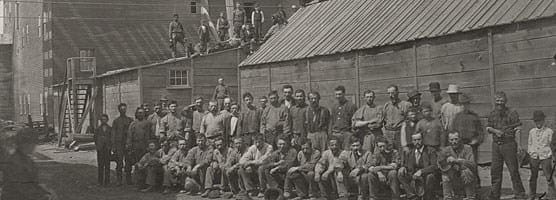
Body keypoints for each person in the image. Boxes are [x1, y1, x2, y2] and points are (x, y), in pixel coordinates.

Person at [486, 91, 526, 200]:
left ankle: (520, 194)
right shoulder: (492, 113)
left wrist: (519, 145)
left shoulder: (512, 112)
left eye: (501, 100)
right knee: (495, 171)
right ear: (495, 101)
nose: (499, 103)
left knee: (513, 171)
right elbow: (488, 128)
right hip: (496, 146)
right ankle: (495, 195)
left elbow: (518, 129)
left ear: (505, 101)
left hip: (509, 144)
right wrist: (495, 131)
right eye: (497, 100)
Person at [1, 126, 57, 200]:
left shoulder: (27, 159)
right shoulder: (15, 162)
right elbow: (23, 187)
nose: (34, 146)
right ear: (24, 144)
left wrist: (45, 191)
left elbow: (32, 183)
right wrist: (42, 196)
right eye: (32, 143)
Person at [451, 93, 484, 185]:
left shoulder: (474, 117)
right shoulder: (457, 117)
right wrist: (455, 143)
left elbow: (481, 132)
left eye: (466, 104)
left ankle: (475, 186)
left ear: (469, 104)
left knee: (472, 165)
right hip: (460, 145)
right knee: (460, 165)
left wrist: (477, 140)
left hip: (472, 145)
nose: (464, 106)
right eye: (462, 104)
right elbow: (453, 132)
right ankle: (462, 186)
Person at [398, 132, 439, 200]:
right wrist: (403, 167)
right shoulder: (410, 151)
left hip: (425, 176)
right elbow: (406, 165)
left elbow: (434, 166)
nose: (417, 142)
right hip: (413, 175)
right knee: (400, 173)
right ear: (412, 141)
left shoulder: (430, 150)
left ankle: (427, 198)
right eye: (415, 140)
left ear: (423, 140)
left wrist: (421, 171)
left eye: (419, 139)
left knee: (430, 177)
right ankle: (412, 196)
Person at [438, 132, 477, 200]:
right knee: (445, 175)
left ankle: (470, 197)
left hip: (466, 177)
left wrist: (458, 161)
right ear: (448, 140)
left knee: (466, 172)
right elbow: (440, 164)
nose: (454, 142)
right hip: (453, 176)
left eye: (456, 139)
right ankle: (448, 197)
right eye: (451, 140)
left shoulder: (467, 148)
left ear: (460, 139)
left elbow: (473, 165)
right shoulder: (446, 150)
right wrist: (448, 164)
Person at [527, 110, 555, 199]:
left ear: (544, 120)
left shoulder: (549, 131)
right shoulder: (532, 131)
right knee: (533, 177)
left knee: (548, 177)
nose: (538, 123)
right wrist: (531, 152)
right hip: (534, 156)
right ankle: (531, 195)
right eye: (536, 121)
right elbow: (529, 143)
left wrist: (551, 154)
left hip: (545, 156)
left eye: (540, 120)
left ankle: (552, 195)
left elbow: (552, 144)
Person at [127, 107, 154, 188]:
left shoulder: (148, 123)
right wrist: (129, 147)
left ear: (144, 114)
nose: (140, 114)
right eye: (139, 112)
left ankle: (145, 183)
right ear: (136, 114)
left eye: (142, 113)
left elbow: (150, 136)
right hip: (135, 147)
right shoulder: (133, 124)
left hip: (145, 147)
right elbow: (129, 136)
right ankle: (137, 183)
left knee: (145, 165)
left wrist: (149, 147)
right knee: (137, 165)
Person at [383, 85, 412, 150]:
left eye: (392, 93)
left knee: (401, 152)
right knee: (389, 152)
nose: (390, 95)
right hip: (389, 134)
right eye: (389, 93)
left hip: (400, 133)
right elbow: (384, 120)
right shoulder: (386, 105)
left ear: (397, 93)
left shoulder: (405, 105)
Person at [330, 85, 358, 150]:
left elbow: (354, 121)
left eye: (340, 94)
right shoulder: (334, 107)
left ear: (344, 94)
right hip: (335, 134)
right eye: (336, 94)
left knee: (346, 152)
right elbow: (332, 121)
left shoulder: (351, 106)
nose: (338, 96)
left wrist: (352, 133)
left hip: (346, 134)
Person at [112, 103, 134, 185]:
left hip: (128, 144)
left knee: (128, 162)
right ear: (119, 110)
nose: (123, 111)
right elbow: (113, 134)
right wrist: (113, 146)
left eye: (124, 109)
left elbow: (132, 132)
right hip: (119, 145)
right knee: (119, 162)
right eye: (121, 109)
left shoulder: (130, 120)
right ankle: (119, 180)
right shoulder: (116, 121)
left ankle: (129, 179)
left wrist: (130, 144)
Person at [95, 114, 112, 186]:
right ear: (101, 120)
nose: (103, 121)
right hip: (100, 150)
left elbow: (112, 138)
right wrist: (98, 146)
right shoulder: (98, 129)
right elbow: (95, 138)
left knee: (107, 166)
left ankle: (107, 181)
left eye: (105, 119)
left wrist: (110, 147)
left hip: (107, 149)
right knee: (100, 166)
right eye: (102, 120)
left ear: (107, 120)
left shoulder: (110, 129)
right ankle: (100, 181)